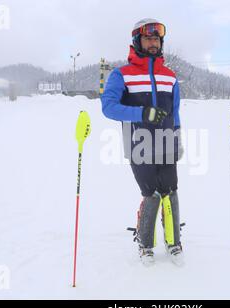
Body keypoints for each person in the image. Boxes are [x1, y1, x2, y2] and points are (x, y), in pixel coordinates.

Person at [101, 18, 184, 266]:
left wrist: (177, 137)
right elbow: (109, 107)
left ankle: (174, 241)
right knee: (152, 192)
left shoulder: (170, 76)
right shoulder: (121, 74)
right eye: (148, 38)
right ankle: (146, 244)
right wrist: (141, 113)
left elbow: (176, 110)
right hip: (139, 144)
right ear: (138, 41)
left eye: (156, 39)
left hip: (167, 141)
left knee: (171, 190)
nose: (153, 43)